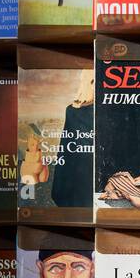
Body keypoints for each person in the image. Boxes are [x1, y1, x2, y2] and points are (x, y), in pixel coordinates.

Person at [50, 70, 94, 209]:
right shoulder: (73, 111)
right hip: (81, 174)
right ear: (87, 83)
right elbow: (68, 148)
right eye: (92, 82)